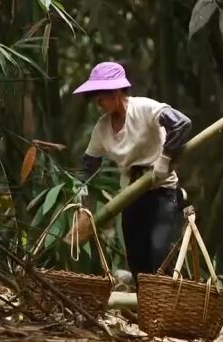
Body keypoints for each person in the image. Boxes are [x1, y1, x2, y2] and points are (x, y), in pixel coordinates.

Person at [74, 61, 192, 281]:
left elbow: (181, 124)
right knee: (138, 262)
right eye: (97, 96)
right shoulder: (102, 128)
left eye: (103, 94)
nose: (99, 101)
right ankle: (147, 312)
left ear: (117, 91)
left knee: (160, 256)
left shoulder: (144, 109)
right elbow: (89, 164)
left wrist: (165, 158)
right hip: (131, 196)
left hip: (161, 192)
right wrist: (81, 192)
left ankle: (167, 310)